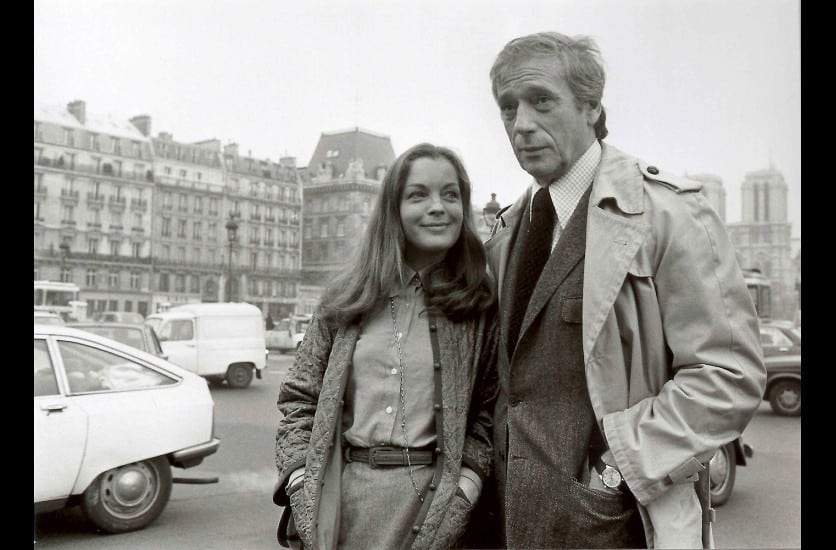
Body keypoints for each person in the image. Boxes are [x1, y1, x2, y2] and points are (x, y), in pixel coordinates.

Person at [483, 32, 767, 549]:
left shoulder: (669, 213)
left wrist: (616, 468)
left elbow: (729, 376)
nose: (521, 124)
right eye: (508, 107)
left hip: (616, 525)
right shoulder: (506, 232)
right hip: (509, 524)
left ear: (592, 106)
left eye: (541, 101)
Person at [273, 143, 498, 549]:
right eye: (418, 195)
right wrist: (301, 481)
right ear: (393, 209)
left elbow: (488, 413)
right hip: (343, 504)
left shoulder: (480, 304)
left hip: (434, 508)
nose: (438, 207)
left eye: (451, 195)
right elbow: (299, 396)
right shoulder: (346, 297)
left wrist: (466, 489)